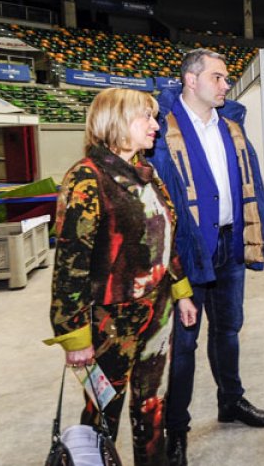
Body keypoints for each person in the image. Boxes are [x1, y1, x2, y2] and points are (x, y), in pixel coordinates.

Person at [46, 87, 199, 466]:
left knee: (152, 402)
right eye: (145, 117)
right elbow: (70, 265)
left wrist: (182, 293)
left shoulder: (148, 175)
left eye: (154, 116)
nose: (155, 125)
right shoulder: (87, 178)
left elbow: (167, 237)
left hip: (157, 312)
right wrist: (74, 335)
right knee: (102, 411)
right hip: (111, 323)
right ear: (115, 121)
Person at [151, 48, 264, 466]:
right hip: (189, 249)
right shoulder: (162, 131)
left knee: (228, 330)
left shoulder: (231, 125)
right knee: (184, 343)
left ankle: (231, 402)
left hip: (231, 243)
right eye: (219, 77)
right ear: (192, 79)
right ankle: (177, 429)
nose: (226, 85)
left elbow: (251, 184)